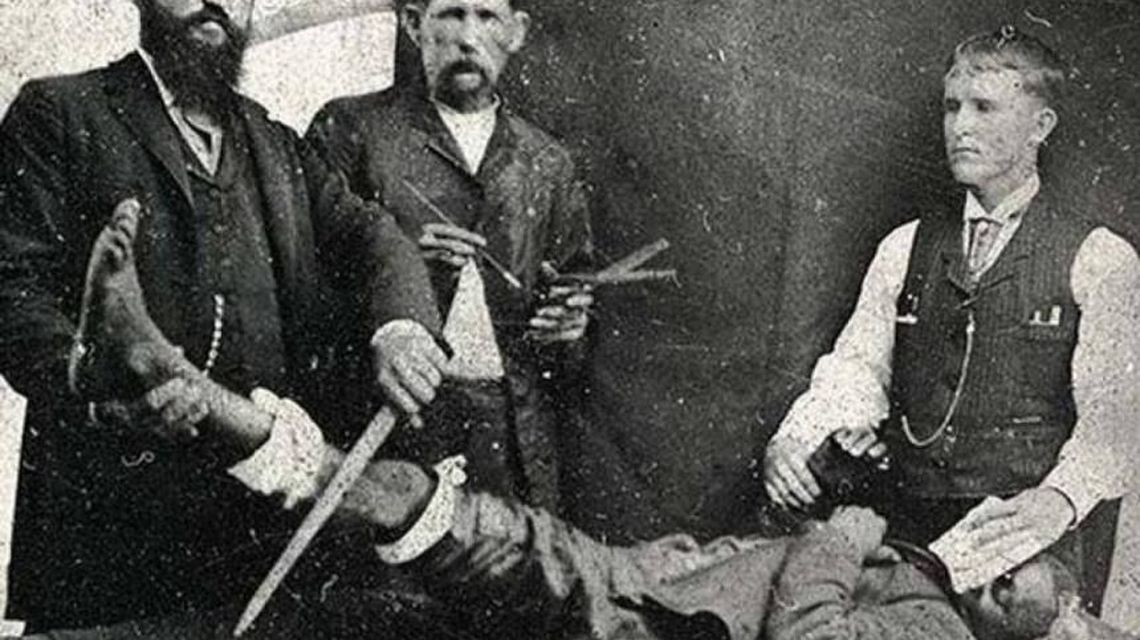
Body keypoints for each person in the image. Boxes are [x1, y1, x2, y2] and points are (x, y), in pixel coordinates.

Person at [22, 211, 1111, 640]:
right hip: (623, 576)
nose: (1004, 567)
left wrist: (849, 529)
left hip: (628, 620)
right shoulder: (930, 582)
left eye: (1027, 585)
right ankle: (185, 389)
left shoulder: (934, 632)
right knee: (407, 518)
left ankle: (186, 391)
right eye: (1020, 558)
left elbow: (808, 629)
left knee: (400, 566)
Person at [0, 0, 451, 629]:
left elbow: (373, 238)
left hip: (262, 543)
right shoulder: (61, 111)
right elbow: (12, 287)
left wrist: (400, 326)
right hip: (113, 539)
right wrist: (97, 394)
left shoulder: (275, 142)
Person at [762, 26, 1140, 611]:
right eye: (952, 106)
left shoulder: (1100, 259)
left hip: (1023, 557)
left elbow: (1114, 424)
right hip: (908, 534)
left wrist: (1060, 500)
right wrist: (795, 440)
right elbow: (855, 374)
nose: (960, 126)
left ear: (1040, 126)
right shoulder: (904, 247)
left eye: (984, 108)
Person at [305, 0, 594, 506]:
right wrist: (400, 270)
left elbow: (575, 320)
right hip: (392, 427)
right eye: (452, 14)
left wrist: (569, 327)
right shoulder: (352, 129)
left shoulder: (547, 162)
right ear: (414, 25)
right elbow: (300, 291)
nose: (467, 37)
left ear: (517, 32)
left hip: (514, 440)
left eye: (486, 17)